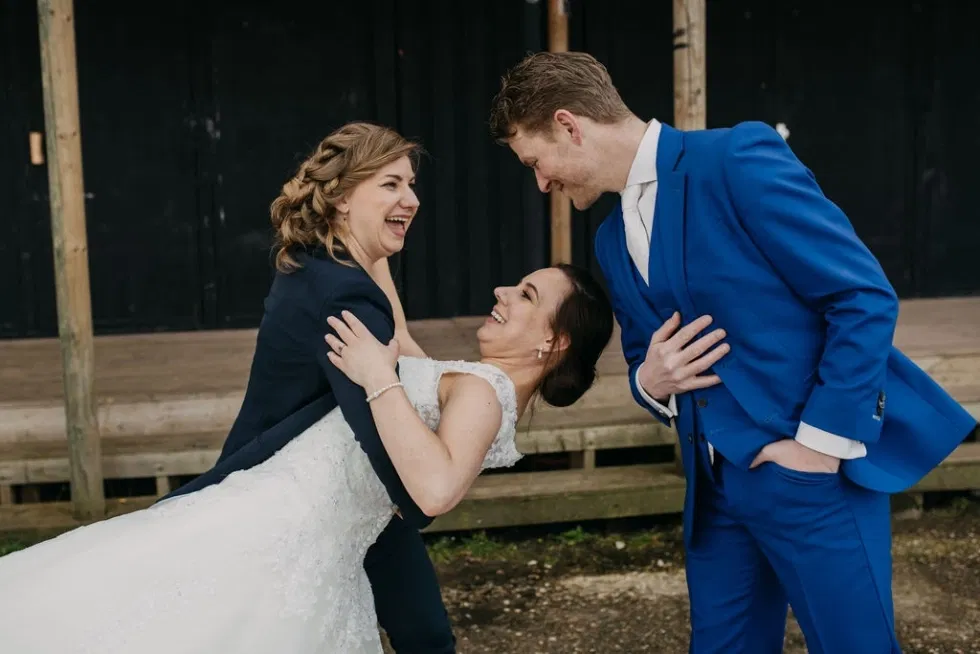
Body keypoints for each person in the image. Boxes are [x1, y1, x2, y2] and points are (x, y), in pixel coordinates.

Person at [0, 118, 615, 654]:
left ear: (552, 342)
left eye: (526, 294)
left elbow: (422, 466)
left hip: (318, 509)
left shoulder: (329, 277)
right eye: (393, 184)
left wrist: (380, 370)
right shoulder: (350, 291)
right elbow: (394, 336)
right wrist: (379, 275)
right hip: (300, 508)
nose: (413, 199)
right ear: (344, 199)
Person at [489, 51, 977, 654]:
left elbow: (862, 296)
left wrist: (818, 447)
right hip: (715, 492)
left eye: (536, 162)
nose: (541, 184)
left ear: (569, 125)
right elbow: (649, 360)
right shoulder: (612, 240)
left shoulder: (735, 160)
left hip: (810, 477)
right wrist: (649, 383)